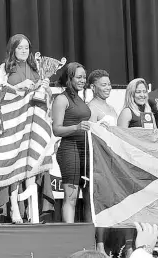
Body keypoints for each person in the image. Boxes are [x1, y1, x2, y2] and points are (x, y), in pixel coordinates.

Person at [0, 34, 52, 224]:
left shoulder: (36, 69)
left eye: (26, 48)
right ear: (12, 49)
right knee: (15, 166)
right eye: (20, 48)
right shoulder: (5, 68)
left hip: (32, 123)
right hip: (13, 121)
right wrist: (19, 86)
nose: (23, 51)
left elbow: (45, 97)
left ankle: (32, 210)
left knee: (32, 167)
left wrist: (45, 87)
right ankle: (14, 208)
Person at [51, 62, 91, 225]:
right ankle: (70, 233)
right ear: (69, 78)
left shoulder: (81, 99)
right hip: (70, 150)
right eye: (79, 77)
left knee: (89, 197)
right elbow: (56, 130)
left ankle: (90, 237)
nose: (83, 80)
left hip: (86, 151)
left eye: (84, 77)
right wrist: (76, 127)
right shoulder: (61, 99)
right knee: (71, 197)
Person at [86, 69, 117, 255]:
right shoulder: (91, 107)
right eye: (103, 84)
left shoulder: (112, 109)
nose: (108, 87)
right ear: (93, 87)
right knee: (96, 201)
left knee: (108, 202)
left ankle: (104, 243)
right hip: (98, 161)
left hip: (112, 161)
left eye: (109, 84)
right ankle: (96, 245)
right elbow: (88, 133)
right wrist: (99, 129)